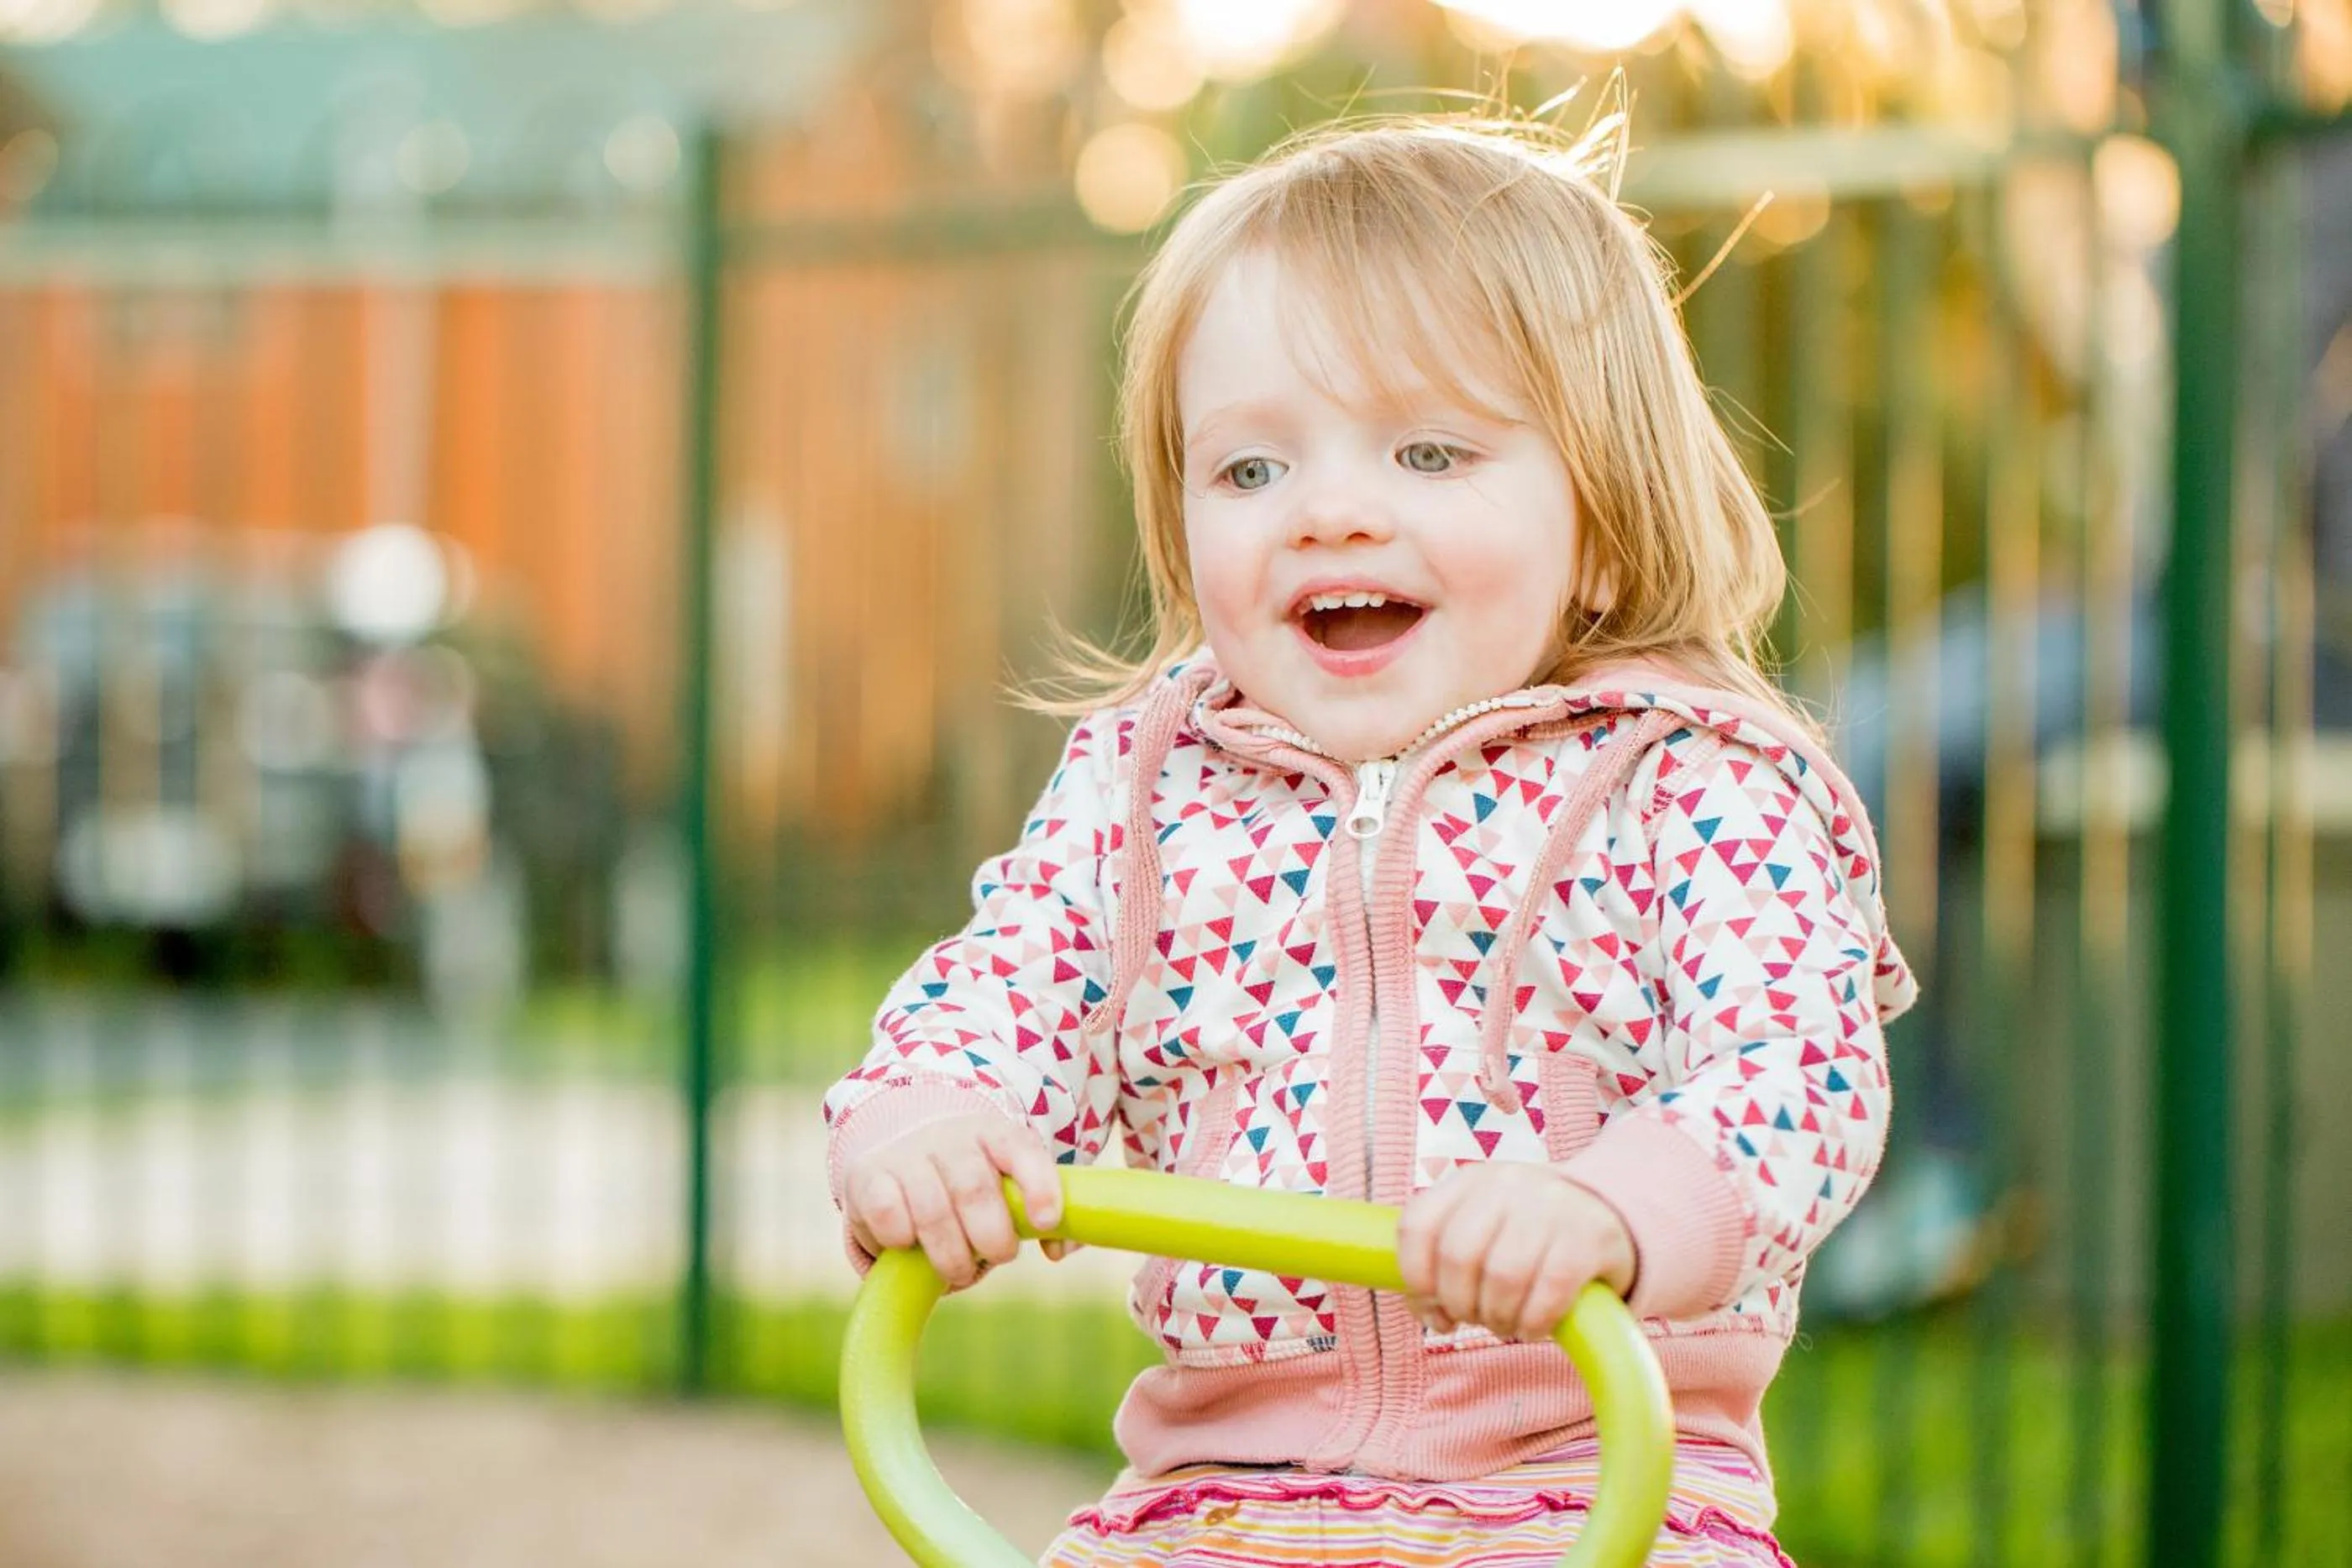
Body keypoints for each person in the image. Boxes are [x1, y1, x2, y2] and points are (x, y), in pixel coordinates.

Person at [822, 114, 1916, 1567]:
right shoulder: (1147, 791)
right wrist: (929, 1123)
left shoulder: (1693, 784)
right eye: (1251, 471)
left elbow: (1801, 1064)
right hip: (1224, 1491)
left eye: (1427, 449)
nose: (1331, 511)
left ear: (1600, 519)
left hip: (1597, 1488)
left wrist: (1608, 1211)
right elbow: (1007, 985)